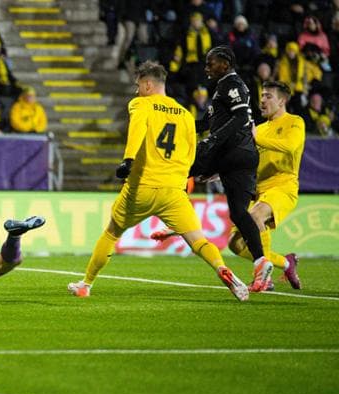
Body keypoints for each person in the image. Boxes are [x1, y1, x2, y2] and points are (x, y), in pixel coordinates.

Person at [68, 61, 249, 301]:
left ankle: (86, 284)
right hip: (174, 191)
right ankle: (222, 269)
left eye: (138, 86)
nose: (136, 91)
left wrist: (128, 160)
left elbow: (137, 130)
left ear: (147, 85)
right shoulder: (185, 115)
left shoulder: (141, 104)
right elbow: (191, 154)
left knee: (112, 233)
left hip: (142, 188)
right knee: (198, 240)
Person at [189, 45, 273, 292]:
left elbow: (240, 117)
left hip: (232, 152)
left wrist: (214, 140)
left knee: (181, 167)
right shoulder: (223, 87)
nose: (206, 67)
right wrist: (176, 122)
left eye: (211, 62)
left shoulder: (231, 83)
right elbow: (205, 123)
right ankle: (261, 261)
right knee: (238, 213)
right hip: (243, 156)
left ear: (225, 64)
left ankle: (173, 216)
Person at [230, 81, 304, 289]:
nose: (262, 100)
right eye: (262, 96)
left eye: (268, 96)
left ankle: (263, 277)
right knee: (235, 244)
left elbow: (290, 146)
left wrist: (257, 138)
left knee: (256, 217)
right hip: (258, 191)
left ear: (282, 101)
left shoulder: (295, 122)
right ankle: (286, 263)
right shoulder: (260, 129)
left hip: (283, 186)